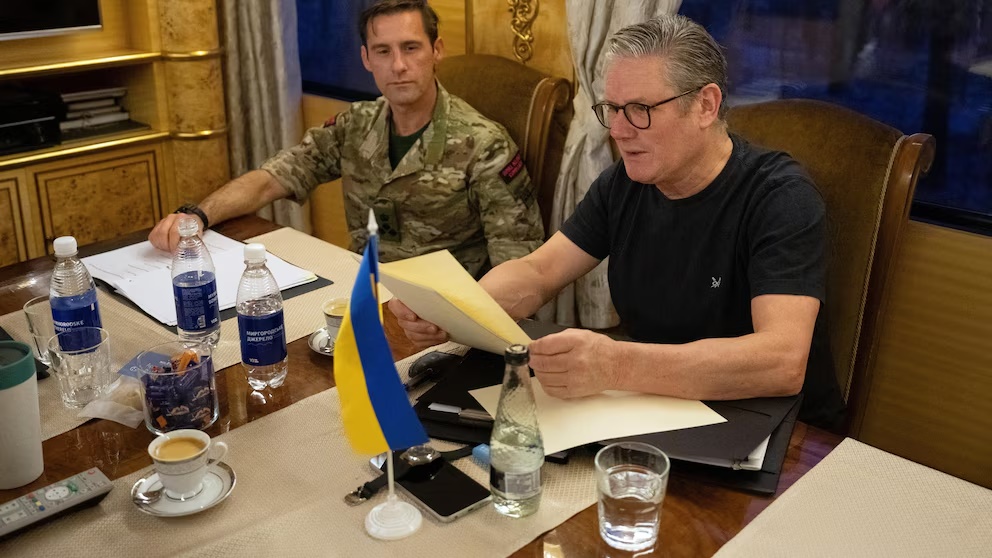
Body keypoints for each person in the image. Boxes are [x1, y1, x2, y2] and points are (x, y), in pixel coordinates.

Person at [390, 14, 846, 430]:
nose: (619, 130)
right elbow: (538, 272)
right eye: (612, 108)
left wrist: (617, 365)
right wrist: (458, 309)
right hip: (659, 407)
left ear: (706, 105)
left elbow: (782, 361)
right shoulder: (625, 184)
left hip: (774, 430)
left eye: (641, 110)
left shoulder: (779, 197)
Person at [149, 0, 543, 278]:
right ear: (366, 59)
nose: (399, 65)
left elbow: (519, 266)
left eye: (411, 48)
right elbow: (274, 177)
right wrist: (197, 216)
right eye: (383, 51)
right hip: (364, 296)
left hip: (446, 318)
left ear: (436, 51)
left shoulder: (485, 144)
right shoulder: (356, 124)